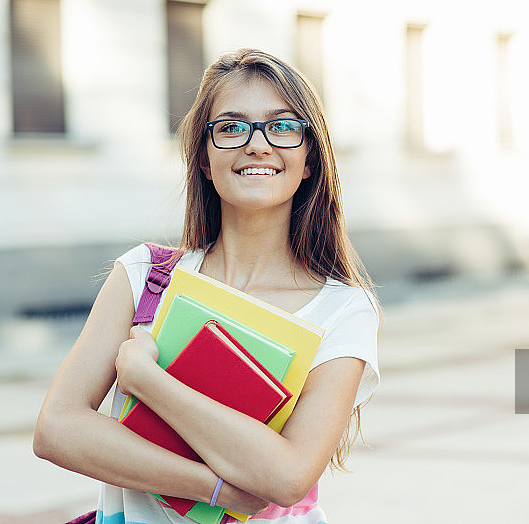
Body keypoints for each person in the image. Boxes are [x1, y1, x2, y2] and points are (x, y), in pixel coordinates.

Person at [33, 48, 380, 524]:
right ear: (202, 158)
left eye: (281, 126)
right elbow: (56, 429)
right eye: (232, 128)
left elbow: (288, 476)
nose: (257, 145)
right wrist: (213, 488)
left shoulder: (342, 310)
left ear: (309, 161)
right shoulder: (145, 277)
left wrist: (149, 381)